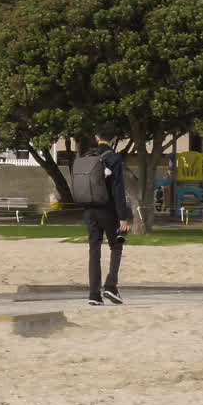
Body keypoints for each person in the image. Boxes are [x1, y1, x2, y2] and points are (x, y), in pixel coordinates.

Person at [73, 123, 132, 306]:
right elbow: (118, 190)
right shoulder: (113, 158)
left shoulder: (86, 156)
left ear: (96, 137)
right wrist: (123, 217)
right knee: (116, 245)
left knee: (94, 250)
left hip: (88, 210)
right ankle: (111, 286)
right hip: (107, 209)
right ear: (114, 139)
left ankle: (94, 294)